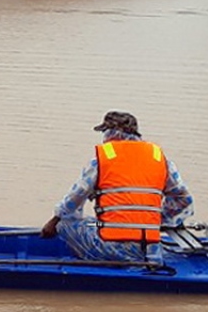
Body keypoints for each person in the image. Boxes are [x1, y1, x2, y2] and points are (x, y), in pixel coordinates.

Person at [39, 111, 193, 262]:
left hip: (110, 248)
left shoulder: (102, 159)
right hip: (149, 250)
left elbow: (74, 199)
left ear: (110, 132)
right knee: (97, 222)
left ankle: (98, 261)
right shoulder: (158, 158)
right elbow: (183, 199)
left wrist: (53, 222)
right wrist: (156, 221)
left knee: (67, 222)